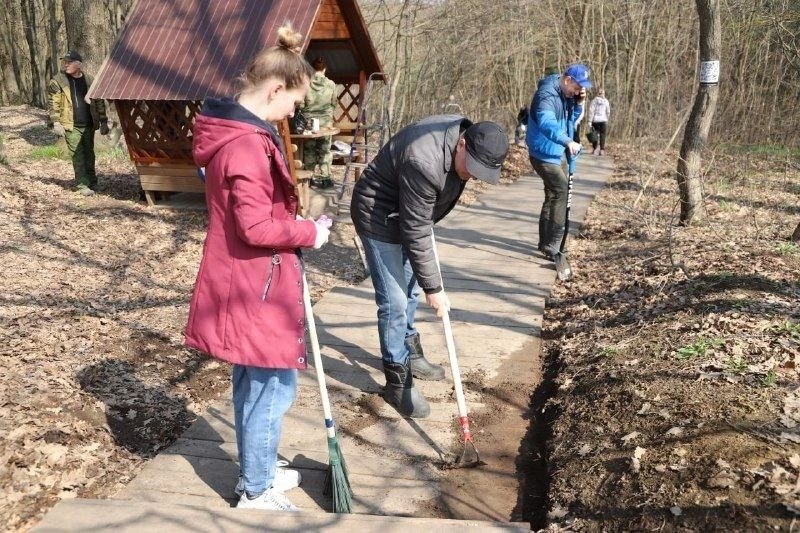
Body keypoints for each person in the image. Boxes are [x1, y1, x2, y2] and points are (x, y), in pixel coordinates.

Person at [185, 25, 332, 512]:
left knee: (256, 381)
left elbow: (254, 213)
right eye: (293, 102)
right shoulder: (246, 145)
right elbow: (253, 226)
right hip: (255, 284)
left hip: (250, 277)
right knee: (271, 386)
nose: (294, 112)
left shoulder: (237, 135)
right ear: (274, 90)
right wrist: (308, 232)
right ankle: (255, 489)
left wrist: (293, 222)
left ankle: (259, 469)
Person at [351, 115, 509, 418]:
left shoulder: (463, 146)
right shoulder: (425, 160)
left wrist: (425, 283)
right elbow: (416, 228)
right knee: (395, 300)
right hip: (378, 215)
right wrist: (434, 287)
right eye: (473, 168)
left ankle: (410, 349)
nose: (473, 176)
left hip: (411, 215)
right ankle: (397, 379)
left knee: (410, 291)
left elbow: (420, 220)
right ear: (462, 144)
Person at [526, 63, 591, 260]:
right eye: (577, 86)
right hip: (543, 153)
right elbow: (547, 123)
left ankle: (546, 243)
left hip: (557, 152)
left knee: (552, 194)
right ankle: (554, 243)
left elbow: (571, 120)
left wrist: (578, 104)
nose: (579, 90)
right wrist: (567, 141)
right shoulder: (546, 95)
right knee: (561, 191)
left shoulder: (566, 94)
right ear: (567, 79)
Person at [48, 50, 109, 196]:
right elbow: (53, 103)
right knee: (78, 155)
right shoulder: (58, 81)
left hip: (88, 124)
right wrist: (56, 122)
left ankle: (93, 182)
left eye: (69, 62)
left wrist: (103, 121)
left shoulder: (90, 79)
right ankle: (82, 185)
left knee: (90, 154)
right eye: (65, 62)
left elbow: (99, 101)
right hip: (70, 125)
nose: (65, 64)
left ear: (79, 64)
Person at [300, 57, 337, 189]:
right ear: (324, 69)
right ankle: (325, 179)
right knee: (325, 150)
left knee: (310, 150)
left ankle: (309, 178)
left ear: (312, 69)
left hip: (310, 123)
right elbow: (334, 103)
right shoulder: (331, 84)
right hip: (326, 123)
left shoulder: (306, 84)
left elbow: (302, 105)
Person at [588, 88, 611, 155]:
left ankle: (595, 149)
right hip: (603, 120)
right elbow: (608, 111)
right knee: (602, 135)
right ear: (603, 94)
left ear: (597, 93)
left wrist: (590, 120)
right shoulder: (606, 101)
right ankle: (602, 150)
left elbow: (591, 111)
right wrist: (607, 118)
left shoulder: (594, 101)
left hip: (595, 120)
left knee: (594, 135)